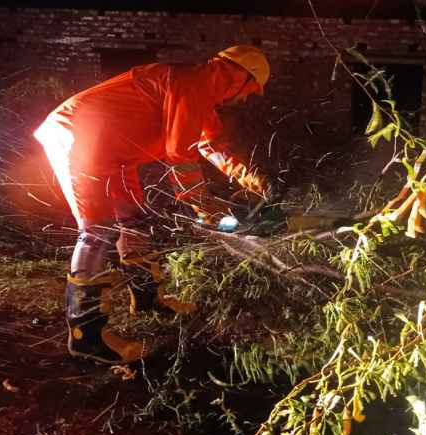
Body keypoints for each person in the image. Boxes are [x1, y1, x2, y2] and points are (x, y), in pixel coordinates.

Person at [34, 45, 270, 364]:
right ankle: (85, 336)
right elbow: (179, 153)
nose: (244, 100)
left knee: (134, 221)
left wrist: (245, 174)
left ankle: (147, 299)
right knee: (97, 231)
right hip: (80, 138)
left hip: (113, 154)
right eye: (251, 91)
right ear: (240, 76)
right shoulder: (194, 82)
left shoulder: (199, 92)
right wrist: (201, 203)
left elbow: (207, 143)